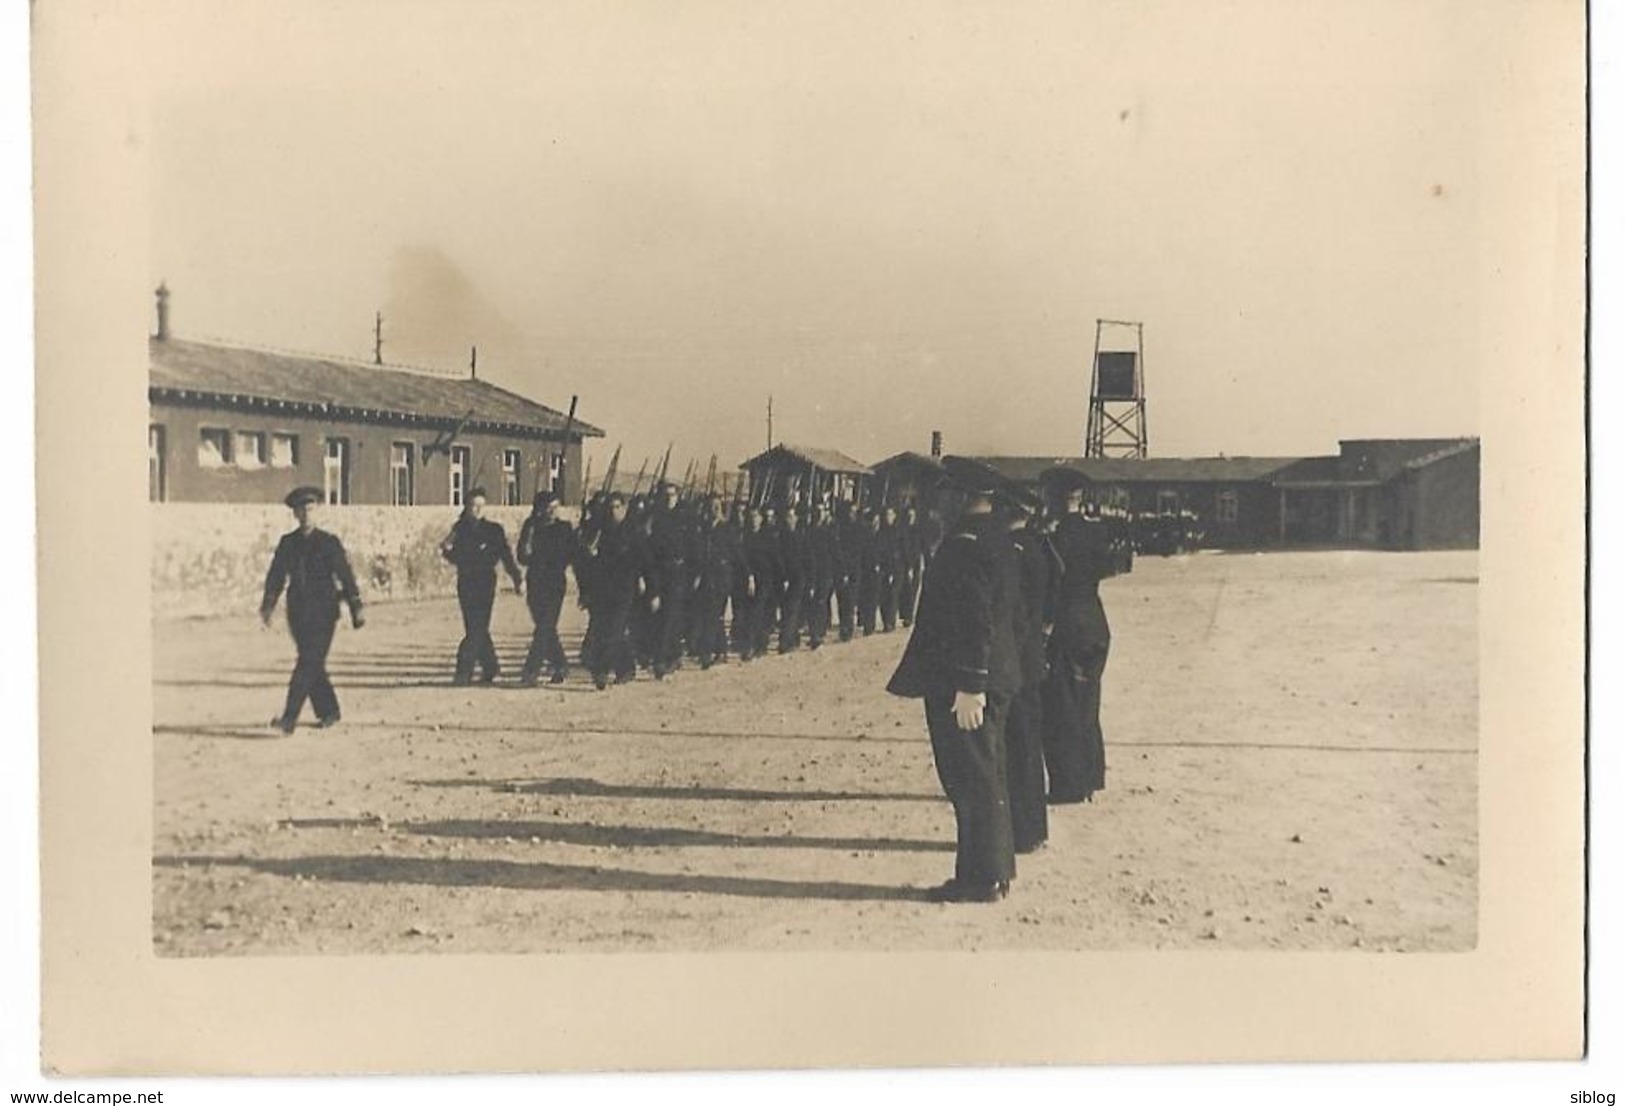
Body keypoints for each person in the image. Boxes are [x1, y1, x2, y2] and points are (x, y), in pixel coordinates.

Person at [886, 457, 1022, 904]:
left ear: (962, 497)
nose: (938, 501)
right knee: (989, 773)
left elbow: (977, 619)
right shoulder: (999, 538)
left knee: (972, 778)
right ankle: (994, 870)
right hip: (993, 674)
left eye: (946, 493)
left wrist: (971, 685)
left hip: (965, 682)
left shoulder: (965, 545)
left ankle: (981, 879)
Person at [1038, 466, 1119, 803]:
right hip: (1095, 623)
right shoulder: (1096, 533)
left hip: (1064, 628)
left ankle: (1068, 784)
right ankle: (1090, 778)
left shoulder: (1051, 538)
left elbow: (1049, 586)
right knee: (1088, 704)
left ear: (1054, 498)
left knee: (1061, 707)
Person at [261, 486, 364, 734]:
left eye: (310, 509)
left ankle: (289, 717)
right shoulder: (288, 543)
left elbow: (345, 576)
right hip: (297, 612)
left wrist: (355, 606)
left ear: (317, 511)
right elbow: (276, 575)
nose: (306, 514)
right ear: (295, 514)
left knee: (307, 662)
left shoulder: (329, 543)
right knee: (313, 662)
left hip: (324, 611)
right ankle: (329, 710)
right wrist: (268, 604)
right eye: (301, 510)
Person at [1003, 484, 1060, 853]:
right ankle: (1033, 828)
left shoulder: (1014, 551)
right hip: (1032, 656)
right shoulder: (1041, 548)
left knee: (1016, 746)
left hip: (1016, 659)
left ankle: (1022, 831)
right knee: (1028, 744)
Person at [441, 487, 522, 685]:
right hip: (466, 582)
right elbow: (452, 554)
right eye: (473, 506)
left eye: (481, 506)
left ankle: (464, 671)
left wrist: (517, 578)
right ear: (466, 507)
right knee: (475, 627)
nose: (477, 510)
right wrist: (447, 551)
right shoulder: (459, 529)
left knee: (478, 627)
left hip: (485, 583)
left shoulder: (494, 530)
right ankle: (491, 668)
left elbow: (506, 556)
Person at [578, 492, 643, 688]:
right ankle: (626, 668)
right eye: (610, 508)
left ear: (624, 508)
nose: (613, 511)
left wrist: (645, 583)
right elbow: (588, 563)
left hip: (624, 589)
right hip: (603, 589)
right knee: (607, 630)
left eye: (616, 507)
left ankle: (601, 671)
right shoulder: (601, 531)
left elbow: (643, 560)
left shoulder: (633, 531)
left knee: (614, 630)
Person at [516, 490, 577, 685]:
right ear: (539, 509)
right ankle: (560, 665)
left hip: (555, 583)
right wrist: (527, 546)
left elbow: (573, 554)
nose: (552, 512)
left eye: (556, 508)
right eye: (548, 508)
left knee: (544, 626)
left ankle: (531, 670)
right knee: (546, 627)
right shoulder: (531, 526)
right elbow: (522, 557)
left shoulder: (565, 528)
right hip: (535, 582)